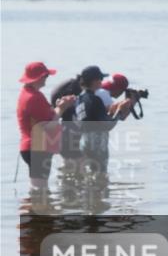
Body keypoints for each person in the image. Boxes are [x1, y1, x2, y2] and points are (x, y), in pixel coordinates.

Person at [17, 62, 76, 192]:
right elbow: (49, 125)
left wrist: (57, 107)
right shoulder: (35, 97)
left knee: (36, 188)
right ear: (39, 78)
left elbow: (44, 118)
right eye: (46, 76)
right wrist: (62, 108)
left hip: (28, 146)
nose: (46, 79)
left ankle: (31, 204)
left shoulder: (25, 93)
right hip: (38, 148)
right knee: (41, 190)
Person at [74, 65, 118, 177]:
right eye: (100, 79)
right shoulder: (95, 99)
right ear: (94, 81)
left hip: (84, 141)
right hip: (97, 142)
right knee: (100, 174)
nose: (102, 82)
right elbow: (107, 125)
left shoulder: (79, 99)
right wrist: (119, 113)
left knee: (90, 174)